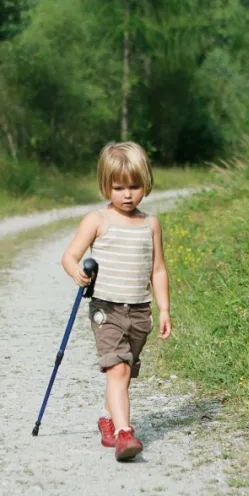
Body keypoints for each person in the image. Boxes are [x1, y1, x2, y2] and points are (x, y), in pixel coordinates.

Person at [61, 141, 171, 461]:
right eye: (118, 187)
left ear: (145, 185)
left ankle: (108, 419)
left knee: (126, 370)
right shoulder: (98, 220)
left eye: (134, 186)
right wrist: (78, 273)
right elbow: (70, 256)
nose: (127, 194)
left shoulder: (150, 224)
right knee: (118, 368)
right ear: (105, 186)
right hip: (106, 309)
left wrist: (164, 308)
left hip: (139, 309)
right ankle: (125, 433)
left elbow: (158, 269)